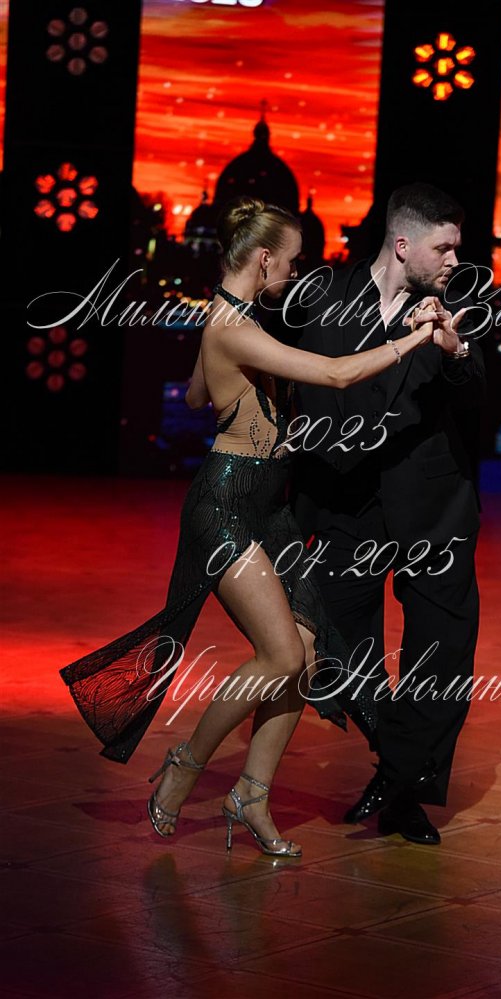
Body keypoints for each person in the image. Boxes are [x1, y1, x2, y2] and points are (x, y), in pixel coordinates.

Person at [59, 195, 439, 858]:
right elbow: (335, 373)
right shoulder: (232, 325)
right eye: (291, 261)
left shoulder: (234, 320)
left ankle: (251, 797)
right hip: (228, 504)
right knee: (281, 656)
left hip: (270, 506)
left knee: (306, 655)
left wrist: (237, 385)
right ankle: (183, 763)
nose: (295, 271)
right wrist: (415, 336)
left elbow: (194, 395)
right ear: (264, 259)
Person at [293, 183, 486, 845]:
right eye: (444, 247)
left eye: (458, 246)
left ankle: (402, 790)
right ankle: (400, 764)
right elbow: (298, 383)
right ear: (403, 244)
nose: (456, 258)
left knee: (445, 651)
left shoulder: (458, 302)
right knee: (339, 646)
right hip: (348, 508)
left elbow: (476, 387)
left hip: (434, 511)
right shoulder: (326, 296)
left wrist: (453, 347)